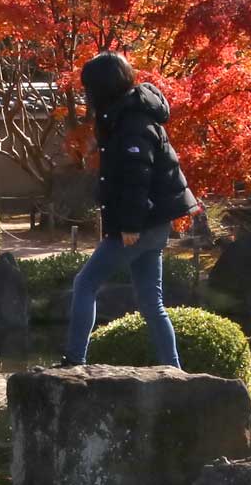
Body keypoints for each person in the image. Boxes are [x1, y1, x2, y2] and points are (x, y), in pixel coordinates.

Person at [59, 53, 200, 368]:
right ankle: (173, 368)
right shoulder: (128, 115)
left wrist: (130, 226)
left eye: (88, 88)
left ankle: (74, 360)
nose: (85, 95)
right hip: (153, 223)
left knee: (86, 283)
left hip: (140, 225)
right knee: (152, 302)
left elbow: (138, 179)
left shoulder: (132, 122)